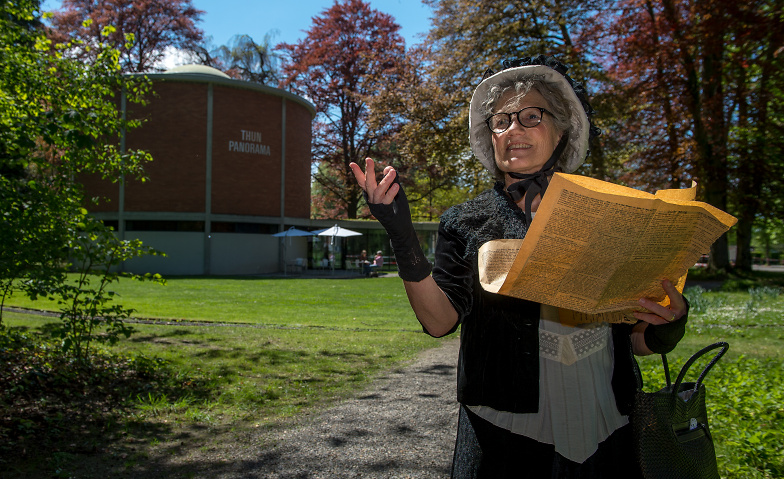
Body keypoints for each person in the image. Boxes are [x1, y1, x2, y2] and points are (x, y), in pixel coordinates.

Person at [350, 55, 689, 478]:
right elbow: (438, 322)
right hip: (504, 439)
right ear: (490, 138)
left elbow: (635, 340)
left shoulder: (608, 213)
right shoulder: (465, 220)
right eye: (501, 121)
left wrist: (666, 324)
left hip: (608, 431)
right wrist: (401, 234)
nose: (514, 129)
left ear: (561, 129)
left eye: (531, 116)